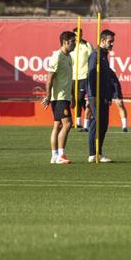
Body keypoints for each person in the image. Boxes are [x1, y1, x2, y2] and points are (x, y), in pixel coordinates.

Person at [41, 31, 76, 164]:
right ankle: (61, 155)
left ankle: (54, 156)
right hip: (59, 97)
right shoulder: (57, 56)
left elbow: (69, 79)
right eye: (72, 42)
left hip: (65, 96)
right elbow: (50, 77)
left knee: (58, 125)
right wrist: (48, 95)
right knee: (68, 124)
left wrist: (72, 95)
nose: (74, 44)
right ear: (65, 42)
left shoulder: (69, 57)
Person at [85, 29, 120, 162]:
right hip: (95, 95)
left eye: (113, 42)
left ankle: (98, 152)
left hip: (104, 95)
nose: (112, 44)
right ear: (102, 41)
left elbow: (106, 78)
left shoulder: (104, 56)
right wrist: (91, 95)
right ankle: (92, 154)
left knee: (103, 124)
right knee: (97, 122)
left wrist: (109, 95)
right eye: (110, 41)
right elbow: (91, 75)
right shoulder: (96, 55)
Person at [72, 38, 92, 131]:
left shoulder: (86, 45)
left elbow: (91, 56)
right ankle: (78, 122)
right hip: (73, 76)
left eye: (79, 34)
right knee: (76, 100)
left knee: (80, 98)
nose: (77, 36)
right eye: (75, 35)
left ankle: (89, 118)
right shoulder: (72, 45)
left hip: (83, 75)